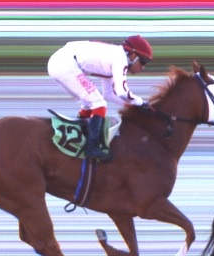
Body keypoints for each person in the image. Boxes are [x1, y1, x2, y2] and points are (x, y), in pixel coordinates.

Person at [47, 34, 152, 163]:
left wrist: (132, 106)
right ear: (133, 56)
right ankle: (92, 147)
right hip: (65, 64)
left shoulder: (114, 56)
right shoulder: (120, 59)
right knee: (98, 103)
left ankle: (82, 136)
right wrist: (141, 103)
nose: (143, 67)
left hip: (60, 63)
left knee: (89, 104)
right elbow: (122, 91)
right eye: (143, 61)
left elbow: (109, 94)